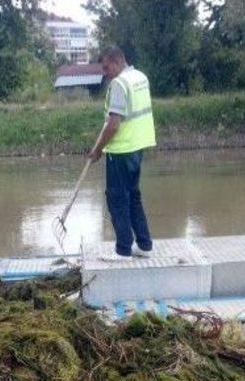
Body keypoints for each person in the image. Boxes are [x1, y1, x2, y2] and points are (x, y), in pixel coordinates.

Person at [89, 46, 156, 262]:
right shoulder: (140, 77)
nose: (105, 73)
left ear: (117, 62)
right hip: (138, 147)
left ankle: (123, 250)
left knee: (117, 199)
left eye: (107, 67)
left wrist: (98, 149)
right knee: (133, 196)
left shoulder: (119, 84)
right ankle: (144, 245)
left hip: (121, 150)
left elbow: (113, 124)